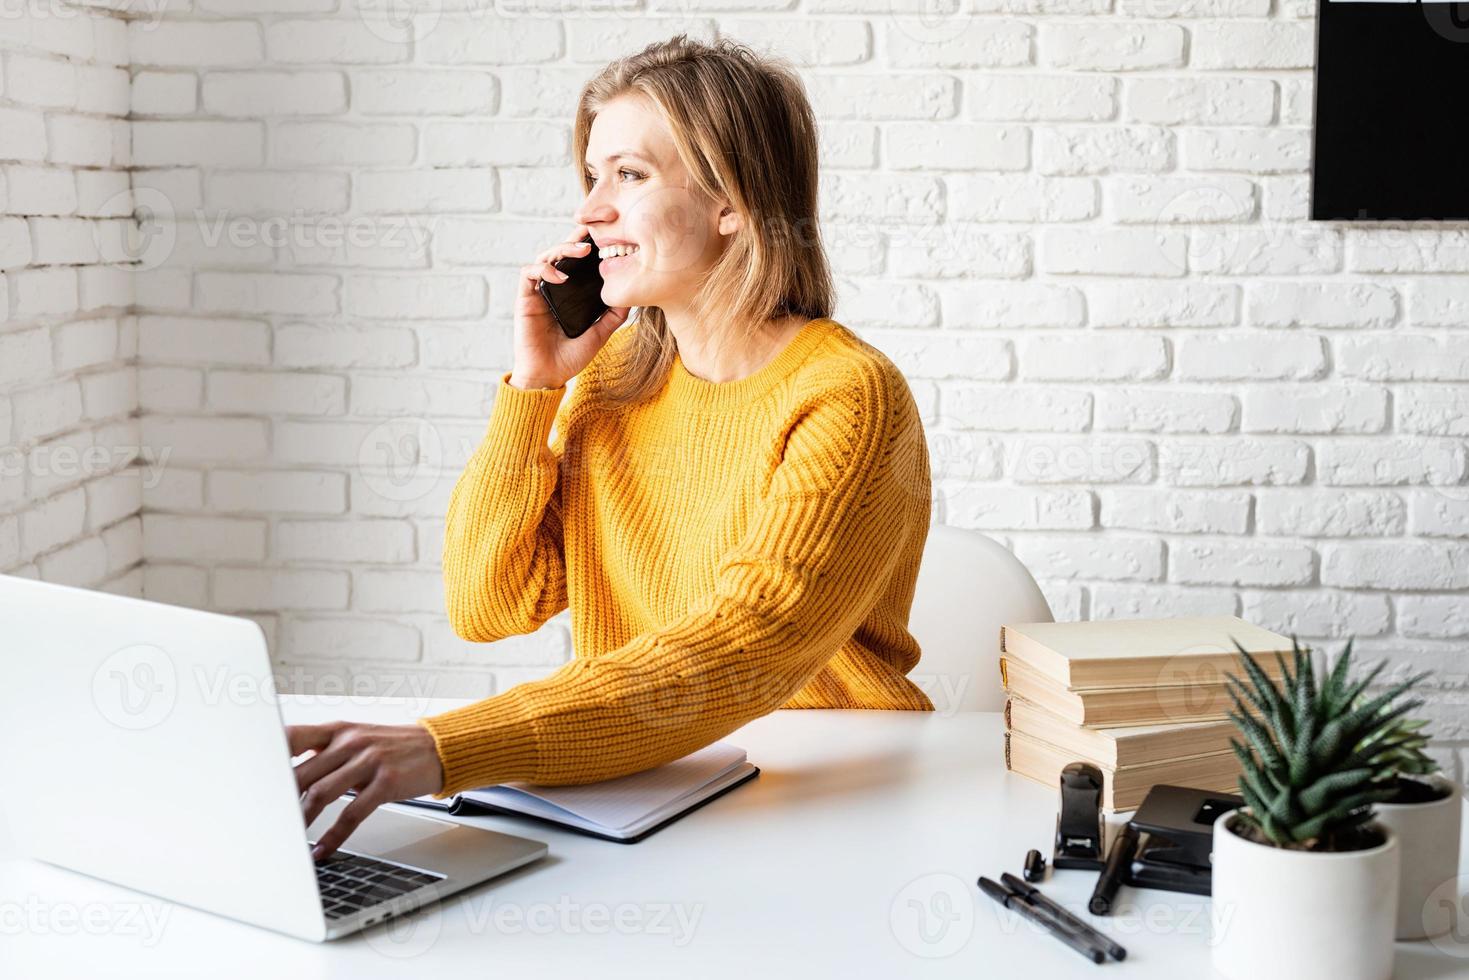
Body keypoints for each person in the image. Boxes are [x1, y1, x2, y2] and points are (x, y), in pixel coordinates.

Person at [291, 34, 935, 860]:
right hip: (651, 788)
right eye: (592, 177)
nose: (590, 210)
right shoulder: (618, 377)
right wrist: (534, 389)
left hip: (838, 796)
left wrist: (446, 746)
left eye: (628, 176)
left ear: (730, 200)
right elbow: (489, 604)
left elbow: (745, 646)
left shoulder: (846, 394)